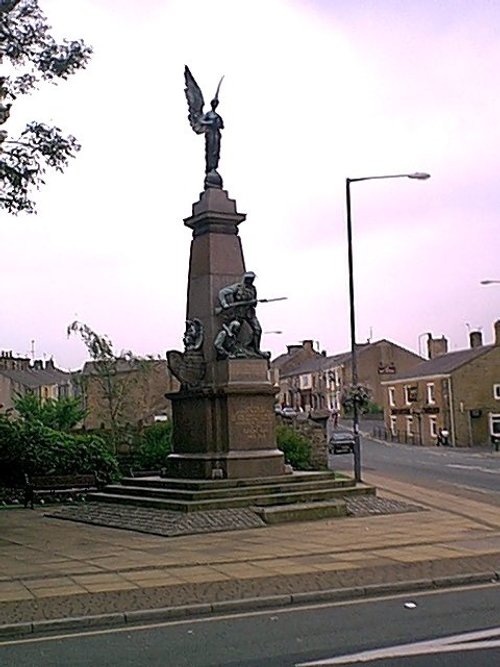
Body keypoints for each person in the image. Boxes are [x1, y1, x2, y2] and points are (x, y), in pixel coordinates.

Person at [217, 272, 263, 355]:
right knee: (234, 331)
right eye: (249, 279)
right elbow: (222, 293)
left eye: (252, 279)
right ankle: (231, 350)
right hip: (239, 313)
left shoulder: (253, 289)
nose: (251, 281)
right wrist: (224, 304)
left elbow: (254, 303)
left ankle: (256, 349)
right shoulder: (238, 287)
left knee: (258, 329)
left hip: (250, 313)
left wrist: (253, 302)